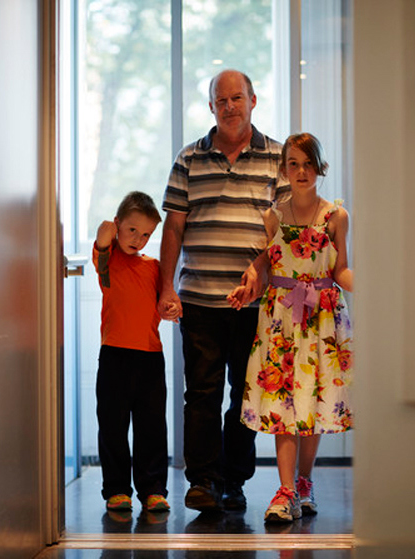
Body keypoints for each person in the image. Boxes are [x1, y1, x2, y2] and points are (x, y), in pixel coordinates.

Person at [158, 69, 290, 512]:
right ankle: (203, 482)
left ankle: (234, 480)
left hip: (256, 304)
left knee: (245, 395)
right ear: (211, 107)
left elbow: (287, 230)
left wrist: (261, 268)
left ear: (253, 100)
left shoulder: (279, 157)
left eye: (237, 98)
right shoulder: (189, 159)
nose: (230, 106)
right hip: (199, 298)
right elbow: (173, 227)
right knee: (201, 392)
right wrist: (166, 287)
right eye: (221, 100)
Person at [227, 132, 354, 523]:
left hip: (322, 318)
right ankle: (284, 491)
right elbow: (269, 267)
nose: (301, 171)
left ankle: (303, 483)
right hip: (281, 318)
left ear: (320, 167)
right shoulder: (274, 217)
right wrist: (249, 287)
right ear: (283, 169)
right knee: (284, 402)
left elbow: (340, 269)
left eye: (308, 163)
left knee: (313, 401)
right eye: (294, 164)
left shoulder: (336, 216)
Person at [93, 191, 170, 515]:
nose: (138, 239)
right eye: (132, 230)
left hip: (150, 357)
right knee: (113, 426)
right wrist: (111, 230)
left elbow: (165, 302)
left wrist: (170, 307)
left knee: (151, 427)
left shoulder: (154, 267)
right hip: (114, 355)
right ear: (118, 225)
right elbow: (102, 236)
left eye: (146, 234)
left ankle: (153, 489)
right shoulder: (107, 260)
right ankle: (117, 490)